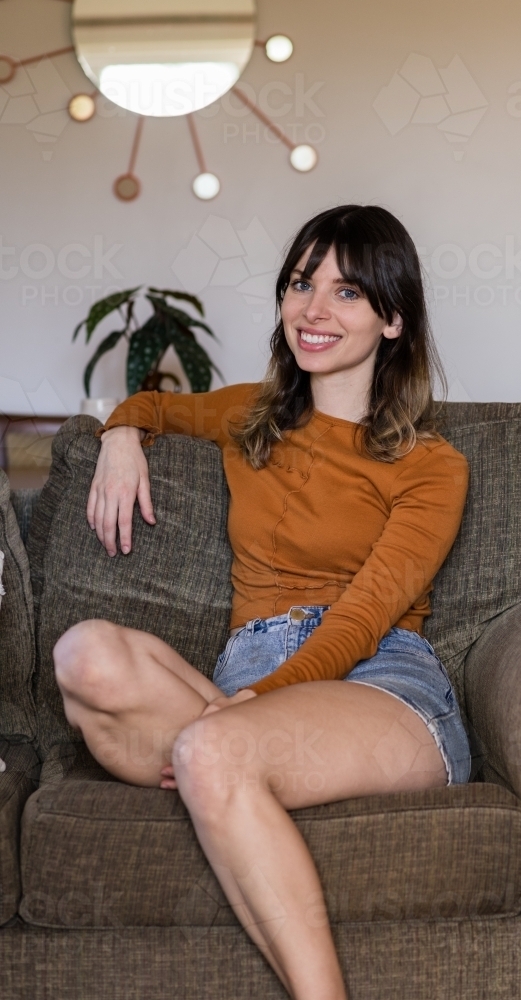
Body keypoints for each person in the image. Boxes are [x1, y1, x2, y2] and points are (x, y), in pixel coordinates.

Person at [53, 204, 470, 1000]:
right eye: (300, 283)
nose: (312, 310)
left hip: (377, 680)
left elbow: (362, 616)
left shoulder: (431, 464)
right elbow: (154, 405)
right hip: (245, 673)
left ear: (393, 318)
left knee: (211, 749)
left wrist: (249, 707)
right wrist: (118, 436)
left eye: (346, 293)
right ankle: (225, 755)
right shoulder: (251, 414)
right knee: (83, 653)